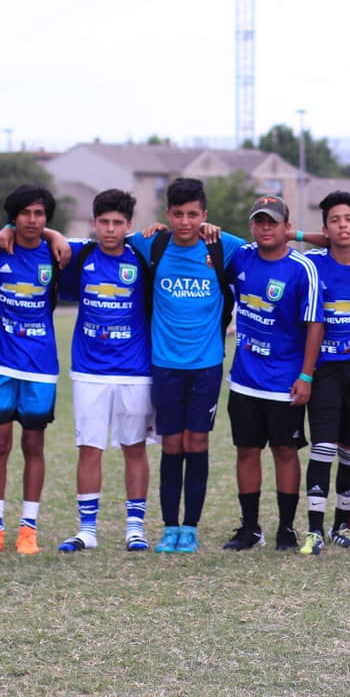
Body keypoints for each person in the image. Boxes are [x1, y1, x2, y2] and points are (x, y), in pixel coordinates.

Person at [130, 178, 244, 555]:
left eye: (193, 214)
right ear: (167, 214)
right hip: (165, 364)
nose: (185, 222)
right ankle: (170, 528)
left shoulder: (222, 246)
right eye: (177, 214)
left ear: (204, 215)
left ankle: (190, 528)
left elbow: (270, 243)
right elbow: (106, 238)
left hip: (206, 364)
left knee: (197, 442)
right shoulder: (152, 243)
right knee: (172, 443)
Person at [57, 189, 157, 553]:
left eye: (118, 223)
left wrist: (157, 230)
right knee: (89, 448)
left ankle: (135, 528)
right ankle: (87, 530)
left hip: (135, 370)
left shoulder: (141, 255)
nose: (110, 229)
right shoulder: (81, 254)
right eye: (104, 222)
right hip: (89, 371)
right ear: (94, 223)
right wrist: (52, 233)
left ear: (129, 225)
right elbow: (46, 240)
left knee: (134, 447)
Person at [222, 195, 323, 551]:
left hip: (285, 381)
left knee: (285, 451)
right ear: (252, 225)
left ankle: (285, 528)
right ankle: (250, 528)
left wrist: (306, 376)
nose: (265, 227)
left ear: (286, 226)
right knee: (247, 451)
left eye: (273, 222)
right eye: (259, 221)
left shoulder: (302, 268)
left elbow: (314, 325)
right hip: (245, 379)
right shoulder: (240, 257)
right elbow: (206, 242)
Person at [295, 190, 350, 555]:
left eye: (349, 220)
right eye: (335, 221)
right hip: (325, 369)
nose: (342, 226)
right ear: (325, 229)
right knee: (323, 446)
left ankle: (341, 526)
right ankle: (314, 530)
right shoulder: (311, 263)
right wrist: (295, 235)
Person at [0, 184, 61, 556]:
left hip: (40, 366)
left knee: (33, 444)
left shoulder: (57, 251)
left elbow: (110, 241)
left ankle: (28, 529)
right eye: (25, 213)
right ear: (13, 217)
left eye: (39, 214)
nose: (32, 220)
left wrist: (55, 235)